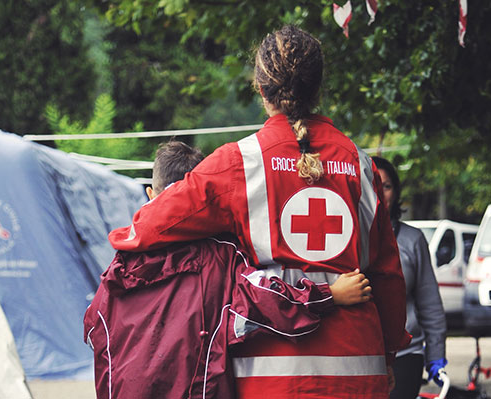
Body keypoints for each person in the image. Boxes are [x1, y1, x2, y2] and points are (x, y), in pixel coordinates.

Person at [109, 26, 410, 399]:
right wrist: (390, 354)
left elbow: (153, 223)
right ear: (318, 87)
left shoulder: (240, 162)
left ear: (260, 87)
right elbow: (387, 276)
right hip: (359, 367)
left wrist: (123, 238)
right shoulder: (361, 166)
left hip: (271, 372)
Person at [84, 141, 373, 399]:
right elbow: (263, 300)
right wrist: (330, 295)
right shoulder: (221, 251)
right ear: (199, 193)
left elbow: (93, 327)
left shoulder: (122, 259)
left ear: (151, 193)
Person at [372, 156, 448, 399]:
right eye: (373, 183)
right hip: (361, 355)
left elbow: (430, 303)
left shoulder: (413, 240)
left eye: (386, 186)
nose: (379, 192)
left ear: (396, 192)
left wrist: (435, 354)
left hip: (406, 354)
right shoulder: (347, 242)